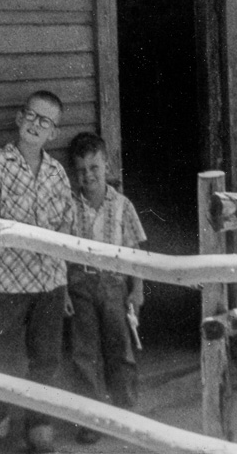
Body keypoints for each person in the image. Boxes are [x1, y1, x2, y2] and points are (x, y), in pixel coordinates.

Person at [0, 90, 74, 454]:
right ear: (19, 118)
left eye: (45, 121)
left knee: (46, 358)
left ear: (53, 134)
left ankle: (39, 431)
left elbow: (67, 227)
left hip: (50, 281)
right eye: (31, 115)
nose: (35, 124)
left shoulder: (57, 172)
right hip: (9, 280)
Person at [65, 132, 146, 446]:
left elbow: (136, 253)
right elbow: (60, 249)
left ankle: (125, 413)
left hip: (114, 284)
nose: (88, 176)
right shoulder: (70, 205)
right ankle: (92, 419)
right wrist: (66, 292)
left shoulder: (122, 206)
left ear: (106, 164)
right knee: (85, 353)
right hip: (81, 284)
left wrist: (137, 290)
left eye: (94, 167)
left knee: (119, 348)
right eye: (82, 170)